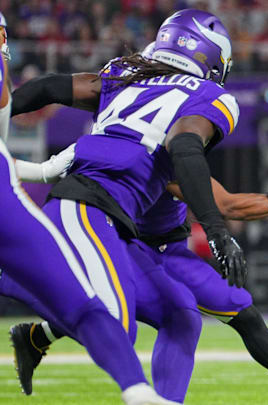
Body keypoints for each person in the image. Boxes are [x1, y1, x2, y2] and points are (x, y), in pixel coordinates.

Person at [7, 35, 268, 404]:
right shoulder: (167, 131)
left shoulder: (129, 98)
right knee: (115, 317)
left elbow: (50, 93)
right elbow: (228, 204)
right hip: (128, 240)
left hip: (165, 248)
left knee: (196, 317)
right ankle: (30, 306)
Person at [0, 11, 174, 405]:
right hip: (78, 207)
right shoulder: (123, 138)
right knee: (94, 307)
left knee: (98, 310)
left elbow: (43, 162)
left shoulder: (116, 135)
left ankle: (138, 392)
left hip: (118, 227)